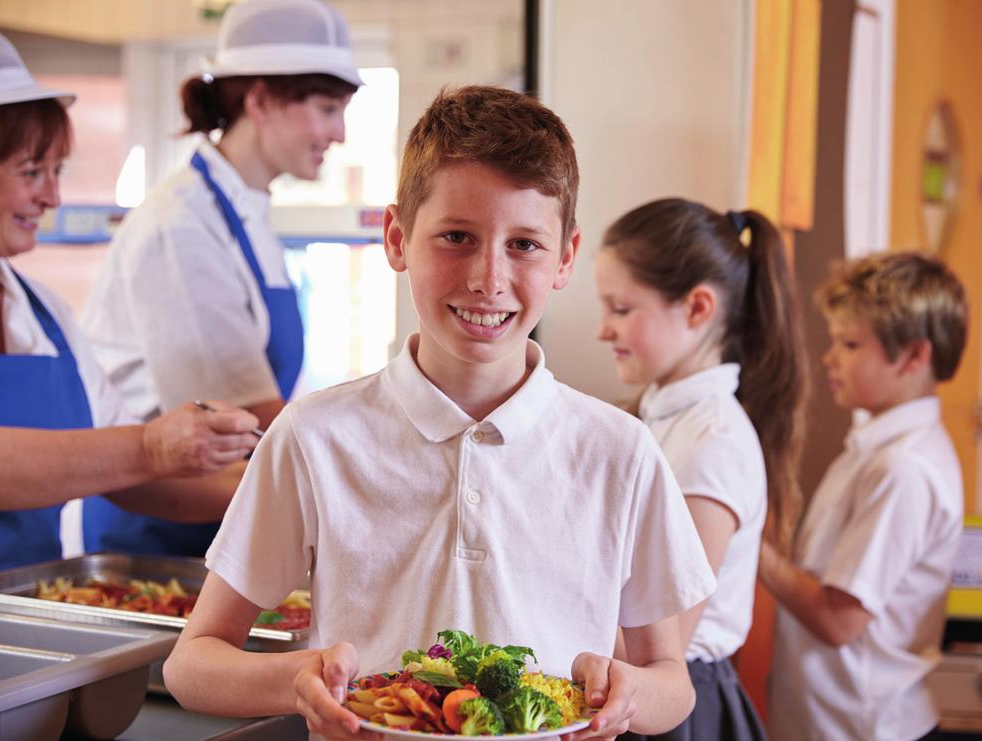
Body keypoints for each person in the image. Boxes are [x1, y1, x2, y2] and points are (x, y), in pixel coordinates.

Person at [163, 85, 718, 738]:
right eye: (456, 235)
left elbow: (670, 678)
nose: (488, 277)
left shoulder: (620, 451)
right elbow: (192, 664)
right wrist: (298, 677)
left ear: (565, 257)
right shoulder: (315, 437)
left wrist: (631, 695)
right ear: (397, 238)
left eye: (524, 245)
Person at [0, 28, 259, 579]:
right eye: (31, 173)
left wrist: (283, 489)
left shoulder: (42, 312)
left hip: (21, 610)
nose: (52, 197)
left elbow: (132, 476)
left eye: (56, 172)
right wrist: (148, 445)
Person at [79, 0, 362, 557]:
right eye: (328, 108)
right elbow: (242, 417)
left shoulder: (246, 211)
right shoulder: (180, 223)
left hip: (228, 508)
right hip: (164, 528)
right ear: (259, 100)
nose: (341, 132)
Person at [593, 199, 807, 741]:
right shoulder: (661, 417)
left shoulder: (713, 442)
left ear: (696, 308)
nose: (603, 329)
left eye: (621, 309)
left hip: (678, 709)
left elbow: (667, 640)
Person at [759, 251, 967, 741]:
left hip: (862, 728)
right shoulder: (874, 449)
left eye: (850, 344)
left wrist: (758, 552)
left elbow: (839, 621)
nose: (830, 359)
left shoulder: (903, 468)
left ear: (915, 356)